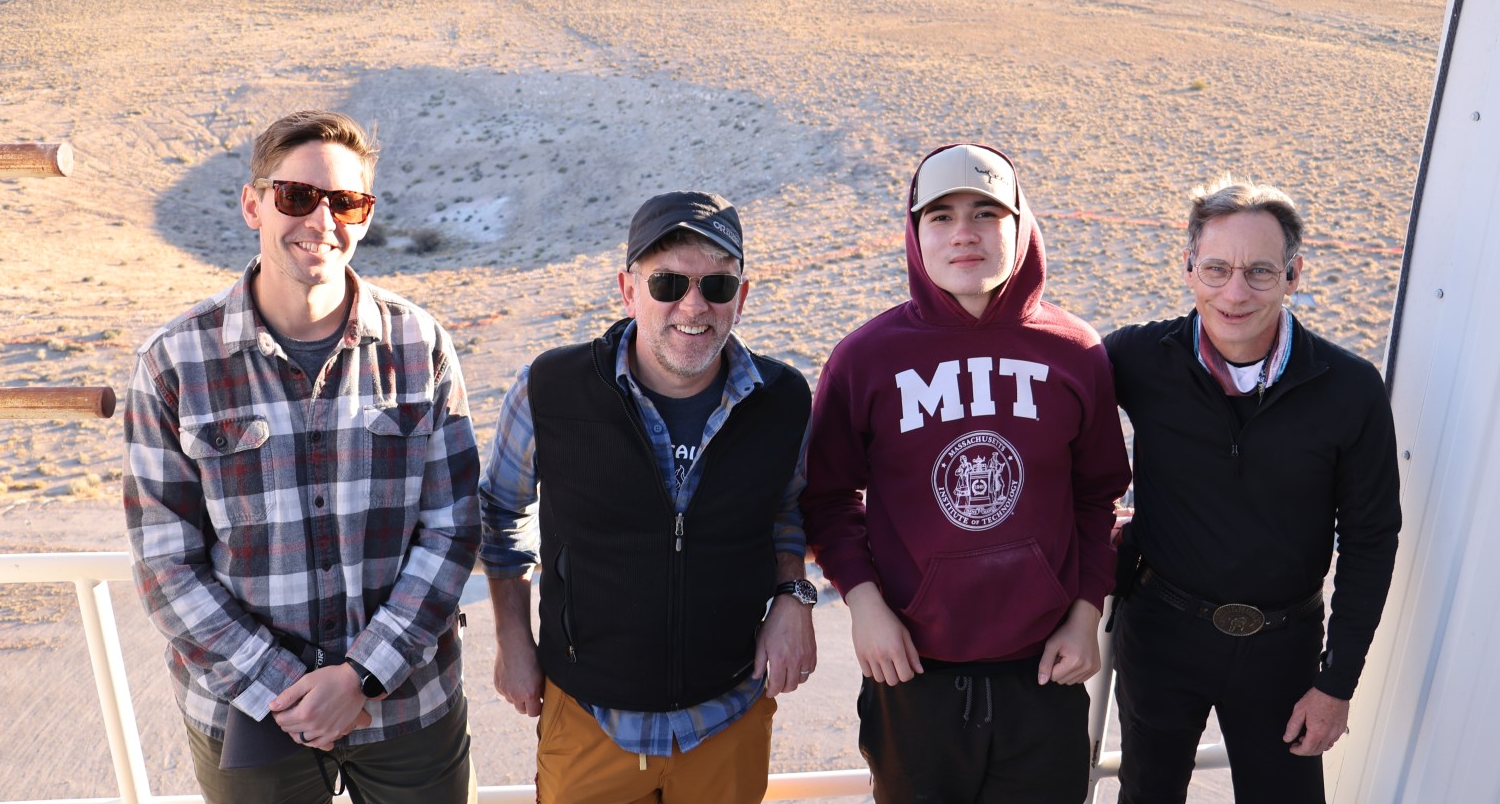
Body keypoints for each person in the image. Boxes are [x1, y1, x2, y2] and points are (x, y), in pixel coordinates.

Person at [124, 110, 480, 804]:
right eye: (296, 197)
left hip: (406, 706)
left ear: (366, 217)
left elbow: (453, 527)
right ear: (254, 203)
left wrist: (360, 676)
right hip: (250, 712)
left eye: (345, 201)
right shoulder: (175, 361)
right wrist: (286, 687)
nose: (321, 220)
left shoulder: (419, 345)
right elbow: (166, 563)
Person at [802, 143, 1131, 803]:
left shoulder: (1077, 352)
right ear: (915, 230)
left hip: (1045, 674)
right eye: (941, 215)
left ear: (1020, 224)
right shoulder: (865, 359)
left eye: (986, 212)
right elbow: (827, 500)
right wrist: (863, 605)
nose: (964, 233)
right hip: (913, 677)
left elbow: (1098, 499)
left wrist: (1086, 612)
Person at [479, 190, 815, 804]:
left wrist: (794, 597)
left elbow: (788, 509)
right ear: (628, 290)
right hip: (587, 717)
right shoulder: (550, 389)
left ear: (741, 298)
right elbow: (501, 514)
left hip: (730, 715)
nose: (693, 304)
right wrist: (512, 639)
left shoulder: (784, 399)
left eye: (716, 286)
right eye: (667, 283)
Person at [1104, 177, 1401, 804]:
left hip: (1284, 651)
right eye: (1216, 269)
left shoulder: (1351, 389)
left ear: (1294, 275)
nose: (1235, 293)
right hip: (1159, 633)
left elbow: (1371, 541)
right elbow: (1050, 426)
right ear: (1187, 268)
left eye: (1260, 272)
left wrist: (1336, 683)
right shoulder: (1135, 358)